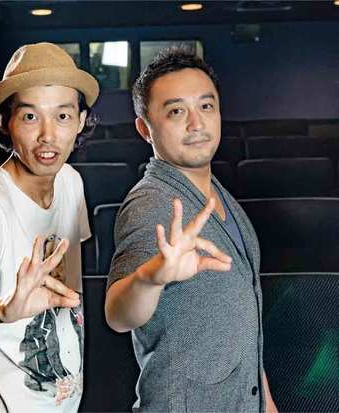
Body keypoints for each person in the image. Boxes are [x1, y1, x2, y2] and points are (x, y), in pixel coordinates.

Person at [0, 42, 230, 412]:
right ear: (4, 122)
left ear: (80, 121)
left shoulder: (70, 181)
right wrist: (1, 310)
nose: (48, 135)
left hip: (64, 400)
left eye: (62, 116)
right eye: (30, 117)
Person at [104, 47, 278, 412]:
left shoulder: (216, 192)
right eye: (176, 111)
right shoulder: (152, 204)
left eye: (206, 106)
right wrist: (151, 277)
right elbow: (118, 314)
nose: (197, 124)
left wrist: (266, 403)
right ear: (144, 129)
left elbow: (242, 326)